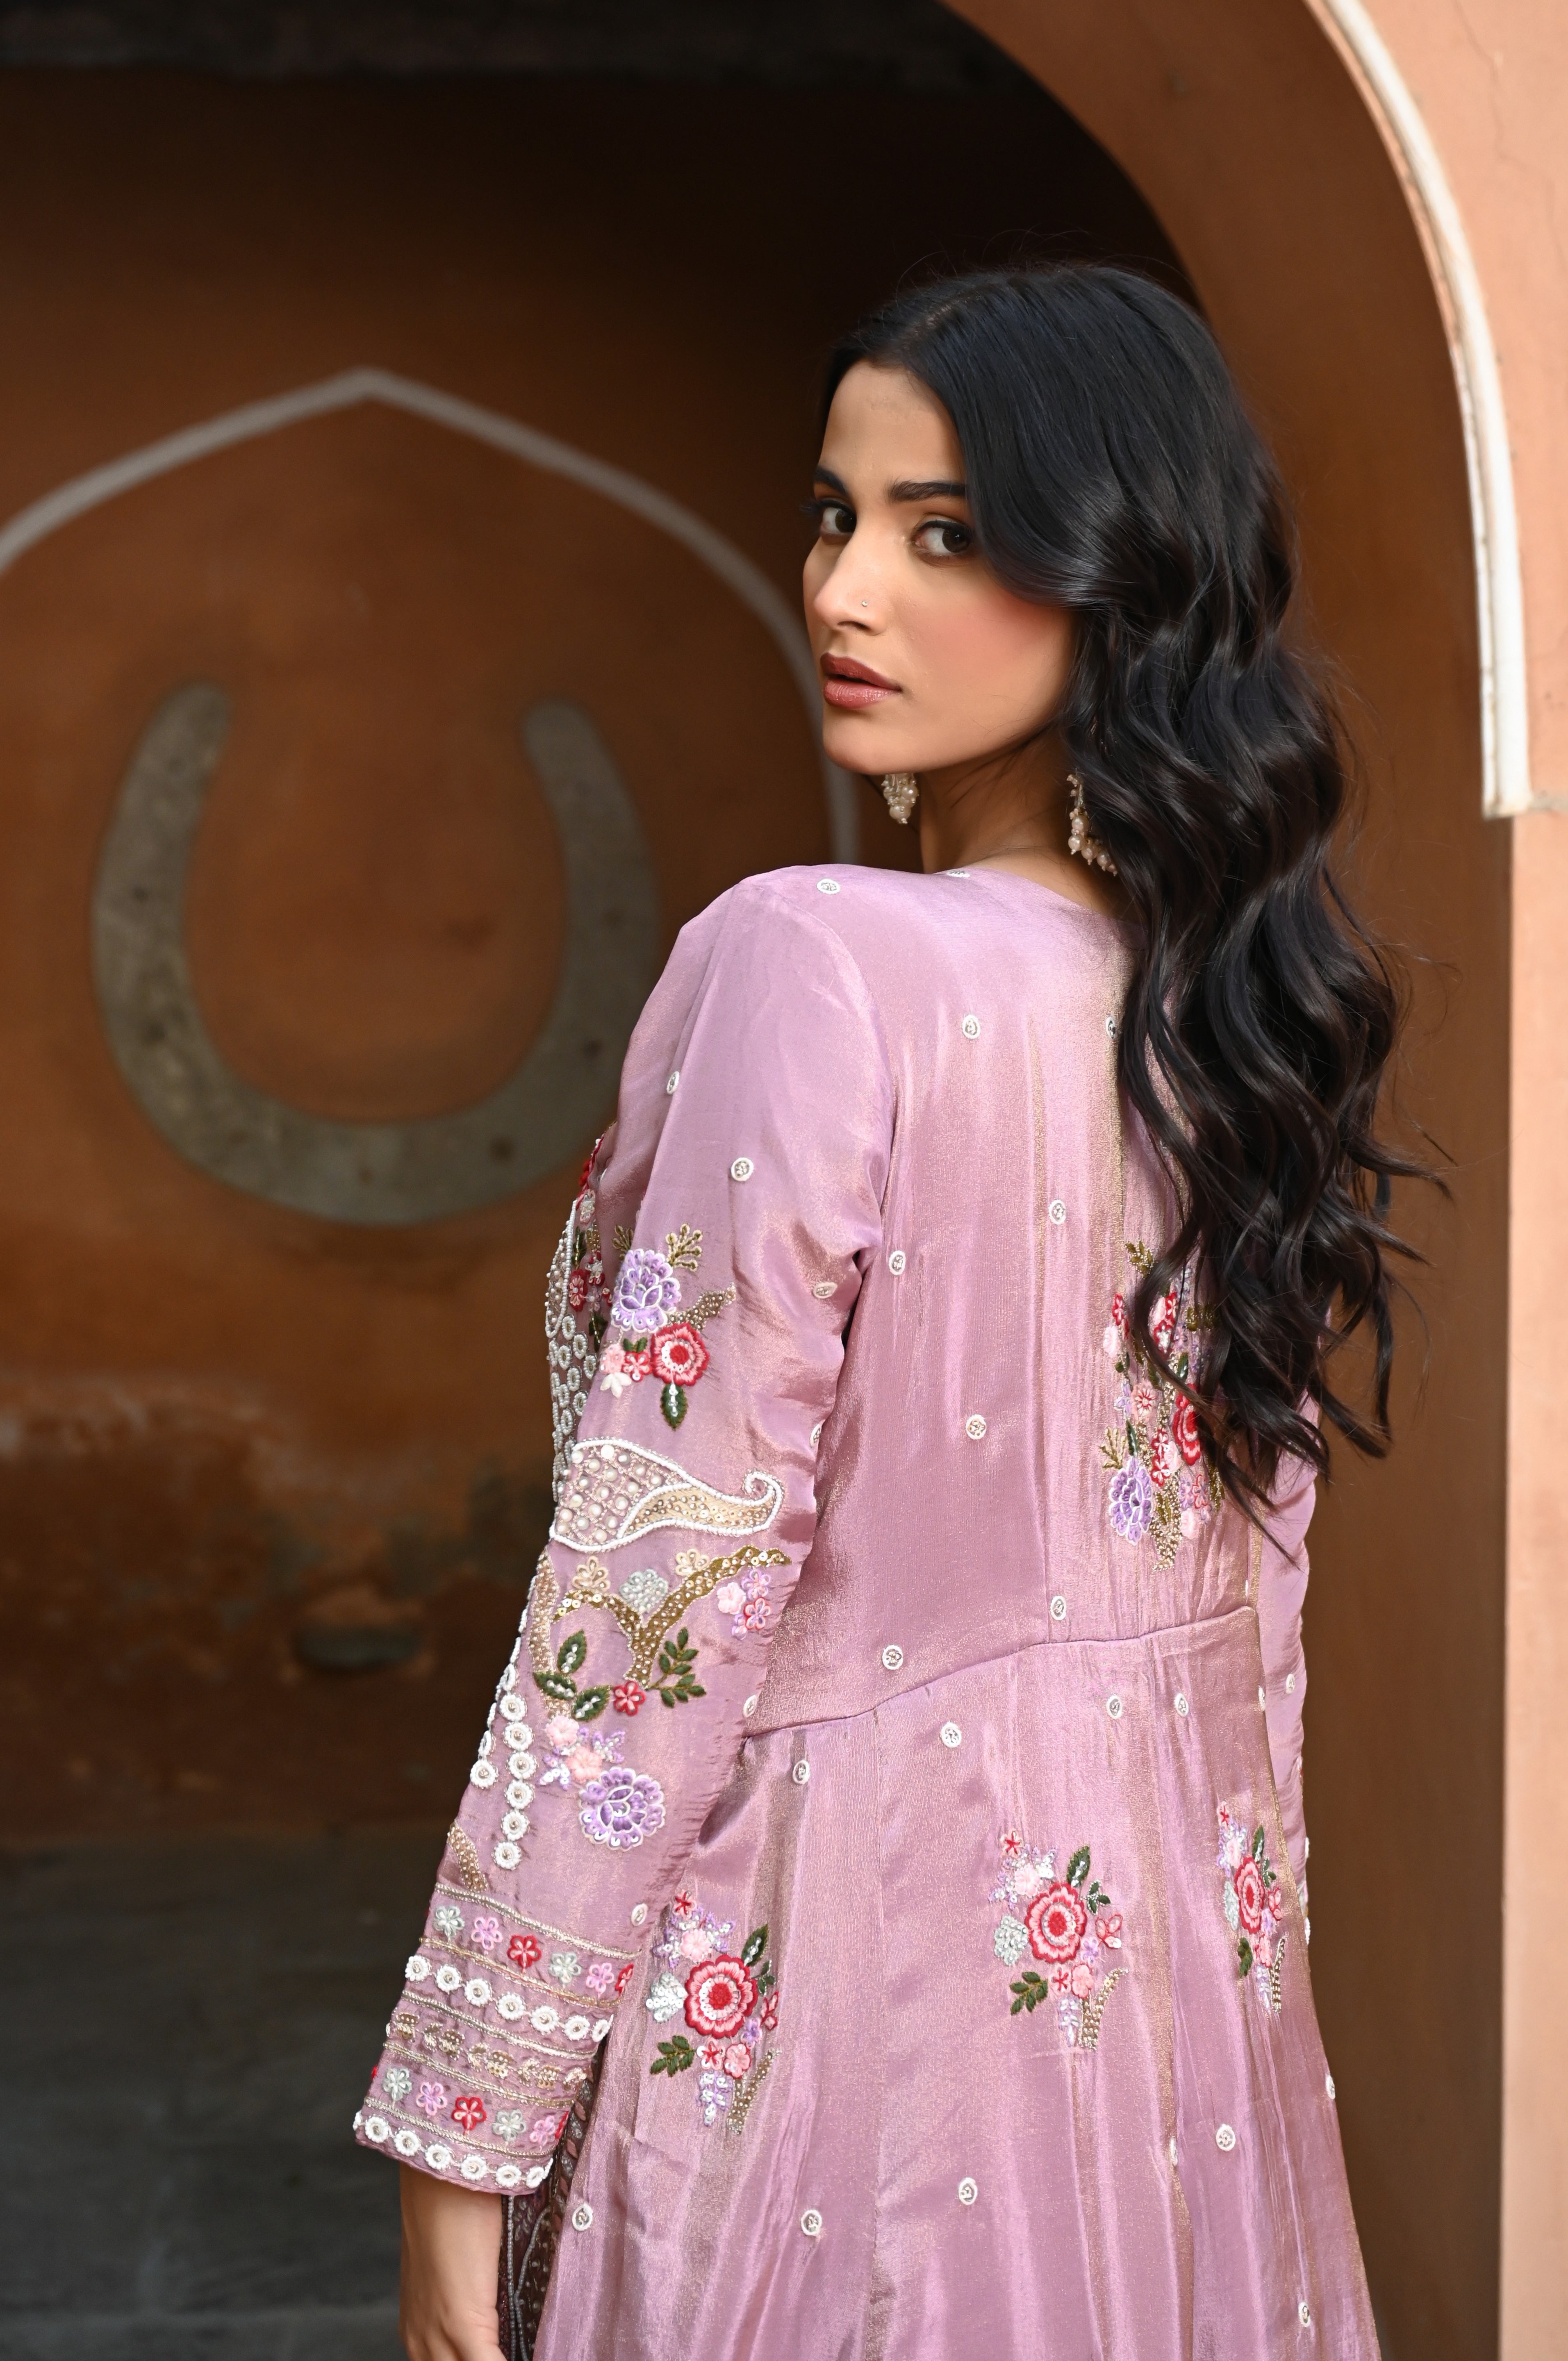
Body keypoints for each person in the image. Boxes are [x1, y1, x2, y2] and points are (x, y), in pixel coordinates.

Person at [362, 264, 1415, 2361]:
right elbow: (1249, 1644)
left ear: (1118, 563)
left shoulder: (816, 958)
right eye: (834, 516)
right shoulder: (1239, 1029)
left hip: (836, 2027)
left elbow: (654, 1590)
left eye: (946, 533)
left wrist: (463, 2119)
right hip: (1169, 2057)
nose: (846, 589)